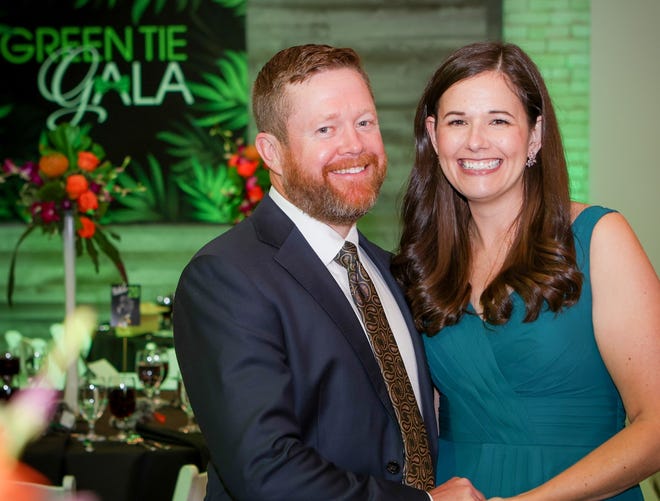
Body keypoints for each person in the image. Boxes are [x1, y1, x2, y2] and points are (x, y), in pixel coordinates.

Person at [173, 44, 484, 500]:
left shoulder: (387, 269)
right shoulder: (225, 277)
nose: (354, 145)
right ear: (272, 153)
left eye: (365, 122)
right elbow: (266, 470)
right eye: (325, 129)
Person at [392, 41, 660, 500]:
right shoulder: (420, 263)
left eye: (499, 120)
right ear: (434, 136)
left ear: (534, 136)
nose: (476, 140)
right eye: (458, 122)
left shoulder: (599, 238)